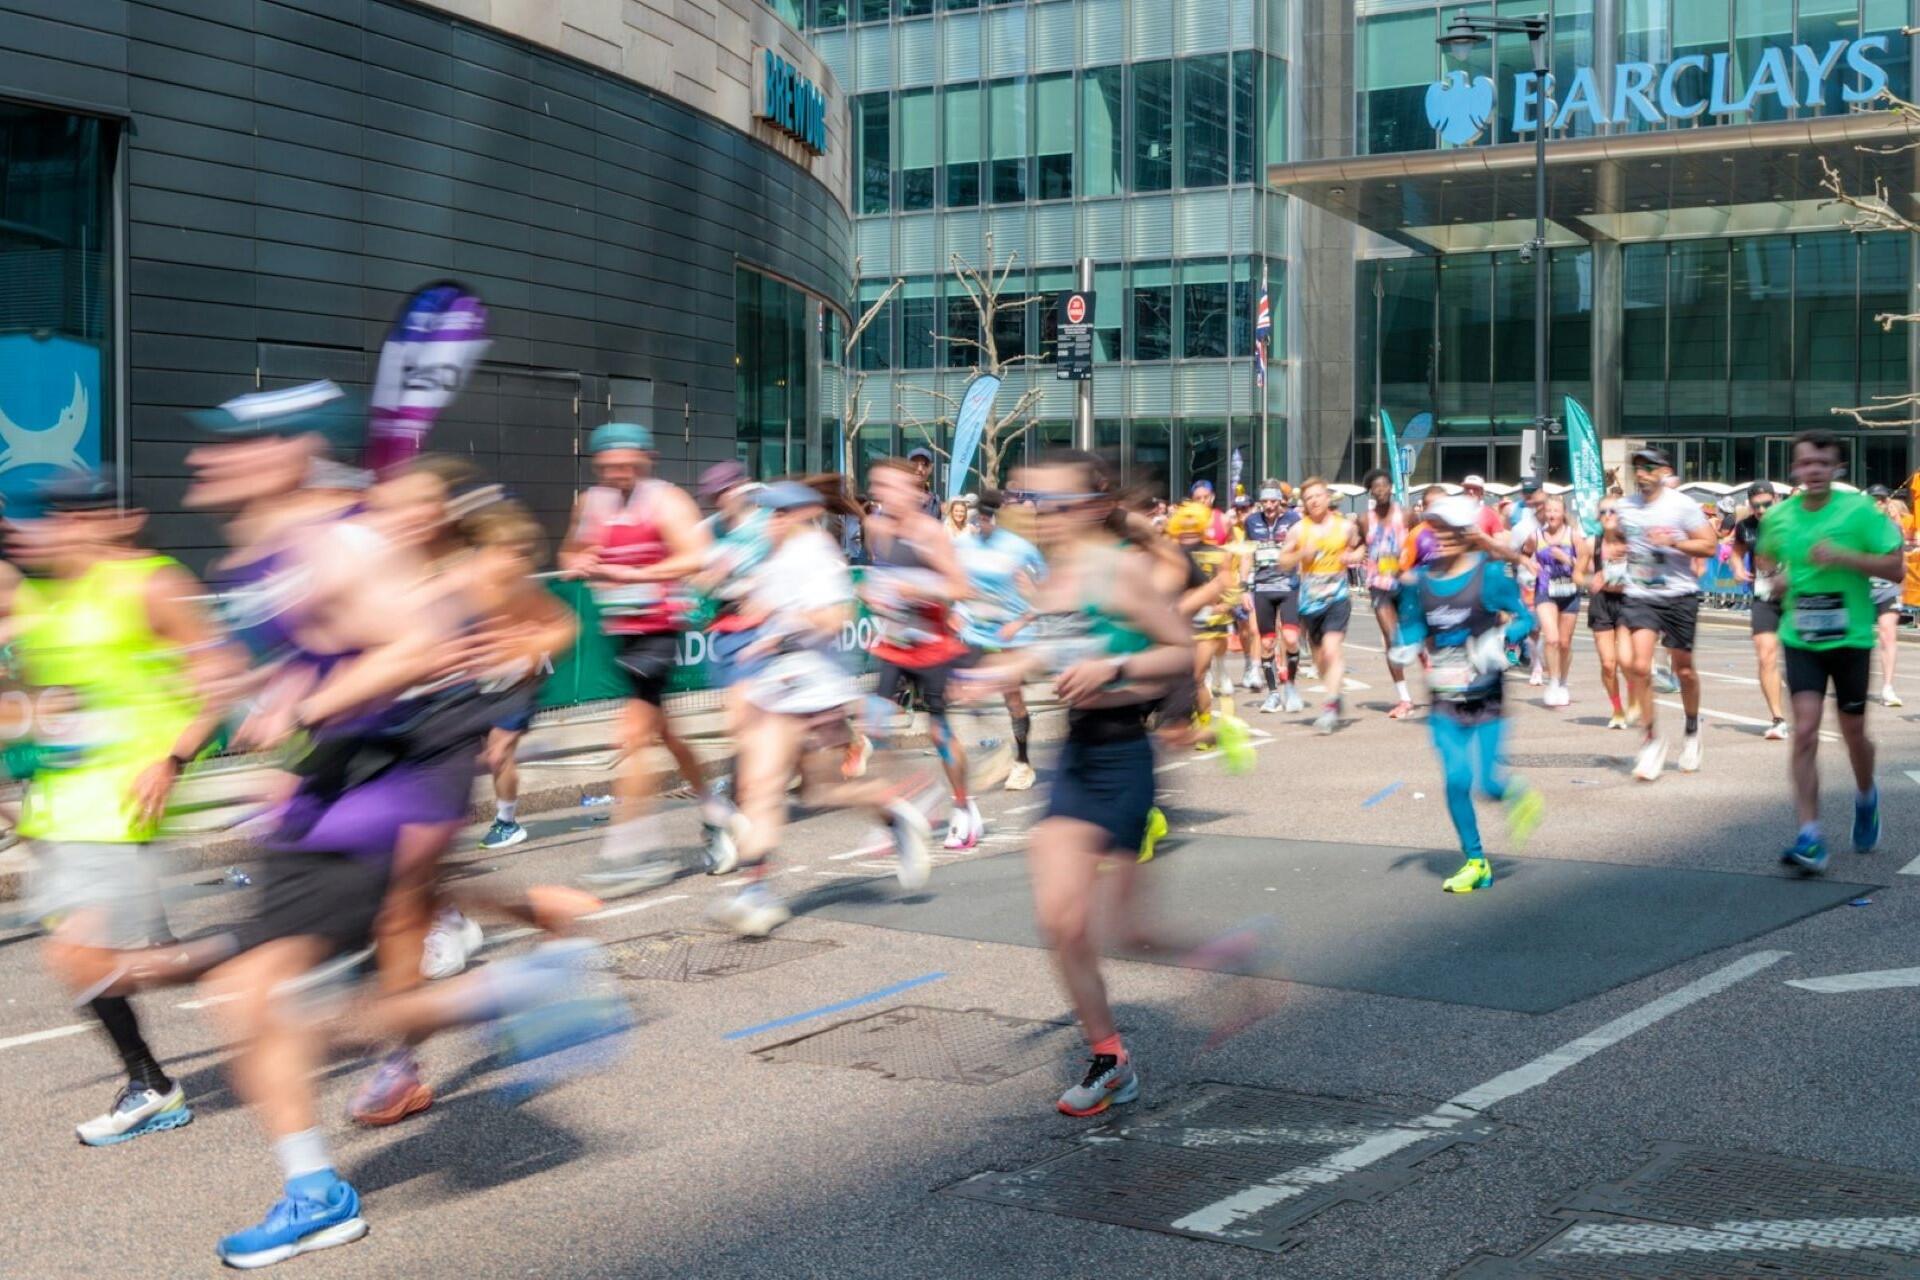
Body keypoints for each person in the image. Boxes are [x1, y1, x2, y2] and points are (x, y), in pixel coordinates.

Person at [961, 452, 1195, 1116]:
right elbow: (1055, 649)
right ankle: (1109, 1056)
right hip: (1076, 755)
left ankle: (1225, 958)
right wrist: (996, 670)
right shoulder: (1056, 576)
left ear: (1091, 506)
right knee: (1060, 922)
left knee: (1130, 934)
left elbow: (1181, 650)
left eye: (1053, 505)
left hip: (1124, 753)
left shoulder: (1122, 569)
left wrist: (1116, 664)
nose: (1039, 516)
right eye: (1032, 502)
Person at [11, 474, 238, 1147]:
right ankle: (154, 1079)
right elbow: (40, 696)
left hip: (123, 797)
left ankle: (261, 948)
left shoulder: (155, 585)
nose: (61, 528)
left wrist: (171, 759)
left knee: (79, 954)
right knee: (83, 961)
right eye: (56, 516)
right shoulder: (49, 596)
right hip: (62, 800)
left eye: (79, 516)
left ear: (119, 519)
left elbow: (219, 683)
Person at [710, 482, 933, 935]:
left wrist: (785, 628)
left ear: (803, 514)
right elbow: (761, 609)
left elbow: (838, 618)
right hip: (777, 690)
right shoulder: (774, 557)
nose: (769, 520)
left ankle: (894, 811)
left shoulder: (816, 553)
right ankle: (757, 894)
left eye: (778, 514)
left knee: (823, 792)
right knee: (762, 788)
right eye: (766, 513)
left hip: (817, 691)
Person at [559, 422, 723, 892]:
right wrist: (577, 562)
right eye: (610, 467)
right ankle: (715, 808)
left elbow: (696, 557)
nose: (620, 474)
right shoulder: (589, 503)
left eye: (629, 465)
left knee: (631, 735)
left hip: (660, 630)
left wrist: (636, 576)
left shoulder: (667, 500)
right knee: (666, 734)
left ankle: (630, 853)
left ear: (647, 458)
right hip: (621, 634)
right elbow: (570, 550)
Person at [1758, 432, 1904, 873]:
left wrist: (1845, 556)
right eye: (1807, 463)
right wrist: (1777, 581)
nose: (1815, 469)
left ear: (1837, 468)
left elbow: (1895, 567)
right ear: (1796, 470)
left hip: (1852, 638)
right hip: (1801, 637)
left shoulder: (1859, 511)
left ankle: (1866, 795)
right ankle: (1811, 836)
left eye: (1823, 462)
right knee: (1804, 730)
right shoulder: (1779, 517)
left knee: (1853, 733)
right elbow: (1767, 566)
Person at [1391, 497, 1544, 894]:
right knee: (1457, 779)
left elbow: (1527, 618)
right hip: (1443, 698)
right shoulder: (1422, 583)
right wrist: (1404, 644)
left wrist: (1500, 639)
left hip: (1486, 696)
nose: (1438, 535)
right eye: (1433, 527)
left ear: (1465, 533)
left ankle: (1515, 795)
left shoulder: (1489, 576)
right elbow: (1410, 625)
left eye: (1447, 528)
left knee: (1488, 785)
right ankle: (1477, 862)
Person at [863, 458, 980, 849]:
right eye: (878, 487)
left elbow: (962, 588)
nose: (883, 494)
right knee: (874, 730)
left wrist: (918, 591)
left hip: (932, 644)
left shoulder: (931, 533)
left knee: (939, 731)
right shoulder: (875, 526)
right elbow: (879, 578)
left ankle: (963, 807)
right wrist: (872, 592)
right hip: (895, 643)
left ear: (915, 492)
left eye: (892, 487)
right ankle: (899, 810)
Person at [1616, 448, 1717, 781]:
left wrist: (1673, 543)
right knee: (1638, 666)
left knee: (1684, 670)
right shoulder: (1625, 508)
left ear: (1664, 471)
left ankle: (1691, 732)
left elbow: (1709, 545)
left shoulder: (1681, 506)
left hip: (1679, 595)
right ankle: (1651, 740)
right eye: (1637, 468)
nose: (1641, 473)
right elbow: (1617, 538)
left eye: (1648, 467)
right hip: (1641, 595)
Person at [956, 490, 1046, 791]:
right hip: (976, 630)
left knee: (1012, 697)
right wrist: (955, 610)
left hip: (1014, 633)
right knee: (963, 690)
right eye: (977, 517)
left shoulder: (1020, 549)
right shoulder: (963, 545)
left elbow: (1044, 594)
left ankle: (1022, 762)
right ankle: (997, 749)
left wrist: (1021, 621)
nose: (981, 523)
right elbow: (956, 582)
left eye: (986, 517)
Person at [1278, 478, 1361, 734]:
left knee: (1331, 649)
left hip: (1337, 598)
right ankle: (1335, 696)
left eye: (1318, 495)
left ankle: (1329, 705)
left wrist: (1353, 557)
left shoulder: (1344, 526)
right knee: (1320, 661)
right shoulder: (1298, 530)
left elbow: (1359, 547)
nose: (1314, 501)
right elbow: (1283, 562)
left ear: (1327, 498)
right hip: (1309, 603)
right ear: (1304, 503)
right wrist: (1302, 554)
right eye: (1309, 498)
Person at [1168, 502, 1237, 744]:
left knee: (1196, 675)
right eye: (1183, 529)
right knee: (1184, 678)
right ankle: (1191, 719)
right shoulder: (1170, 554)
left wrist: (1220, 605)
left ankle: (1203, 724)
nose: (1187, 534)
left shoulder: (1219, 554)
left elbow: (1230, 587)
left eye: (1192, 528)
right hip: (1180, 626)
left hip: (1210, 626)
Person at [1730, 483, 1791, 740]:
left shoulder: (1793, 521)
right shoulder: (1746, 526)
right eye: (1756, 506)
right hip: (1764, 596)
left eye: (1766, 504)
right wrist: (1736, 568)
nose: (1762, 510)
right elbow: (1737, 551)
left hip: (1797, 597)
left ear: (1776, 499)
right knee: (1765, 654)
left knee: (1805, 659)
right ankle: (1778, 718)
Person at [1357, 469, 1415, 718]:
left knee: (1419, 638)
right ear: (1370, 491)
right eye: (1376, 487)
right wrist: (1357, 553)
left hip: (1406, 582)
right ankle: (1404, 698)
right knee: (1392, 640)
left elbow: (1424, 541)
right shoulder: (1363, 519)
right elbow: (1358, 544)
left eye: (1384, 486)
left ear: (1392, 487)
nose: (1381, 491)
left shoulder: (1407, 514)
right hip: (1379, 584)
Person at [1245, 483, 1304, 715]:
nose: (1268, 506)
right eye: (1265, 501)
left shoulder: (1293, 520)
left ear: (1280, 501)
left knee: (1290, 638)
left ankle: (1290, 686)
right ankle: (1273, 694)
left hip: (1289, 586)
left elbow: (1303, 549)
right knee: (1268, 643)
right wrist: (1244, 588)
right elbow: (1247, 554)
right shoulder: (1251, 521)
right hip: (1262, 587)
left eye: (1273, 501)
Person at [1576, 500, 1634, 729]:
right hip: (1601, 603)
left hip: (1627, 602)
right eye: (1603, 512)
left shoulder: (1632, 542)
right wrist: (1592, 580)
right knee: (1608, 664)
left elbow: (1651, 568)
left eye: (1614, 511)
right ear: (1597, 517)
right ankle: (1617, 709)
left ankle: (1635, 697)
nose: (1608, 515)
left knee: (1626, 661)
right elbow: (1577, 575)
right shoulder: (1592, 544)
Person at [1525, 496, 1584, 708]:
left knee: (1565, 643)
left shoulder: (1574, 536)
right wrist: (1530, 565)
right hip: (1545, 591)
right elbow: (1522, 555)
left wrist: (1567, 559)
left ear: (1563, 513)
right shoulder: (1536, 536)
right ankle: (1553, 682)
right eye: (1548, 511)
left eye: (1556, 511)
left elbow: (1585, 566)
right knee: (1552, 639)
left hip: (1569, 592)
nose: (1551, 515)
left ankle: (1563, 682)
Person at [1868, 484, 1904, 707]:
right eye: (1874, 499)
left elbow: (1899, 557)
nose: (1878, 503)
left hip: (1888, 589)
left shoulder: (1894, 527)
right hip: (1862, 588)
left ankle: (1888, 687)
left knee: (1887, 634)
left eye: (1881, 500)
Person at [906, 447, 943, 516]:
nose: (920, 469)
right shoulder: (898, 497)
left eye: (924, 465)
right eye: (915, 464)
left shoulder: (935, 501)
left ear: (930, 468)